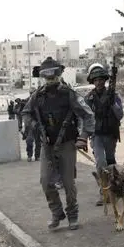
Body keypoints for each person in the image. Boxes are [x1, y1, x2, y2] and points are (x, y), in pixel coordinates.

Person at [21, 57, 95, 230]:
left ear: (59, 74)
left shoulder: (69, 94)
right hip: (47, 145)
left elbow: (88, 115)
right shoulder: (38, 96)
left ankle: (72, 214)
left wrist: (83, 136)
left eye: (53, 75)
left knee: (68, 183)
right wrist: (34, 126)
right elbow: (25, 112)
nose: (50, 79)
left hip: (67, 144)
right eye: (46, 76)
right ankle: (56, 212)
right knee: (46, 182)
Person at [85, 63, 124, 205]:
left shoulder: (114, 95)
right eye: (95, 80)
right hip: (96, 135)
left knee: (111, 163)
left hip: (110, 134)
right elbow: (85, 117)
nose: (99, 82)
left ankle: (115, 188)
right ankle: (104, 193)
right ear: (92, 82)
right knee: (101, 163)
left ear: (105, 80)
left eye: (101, 79)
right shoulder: (89, 98)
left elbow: (120, 115)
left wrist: (113, 103)